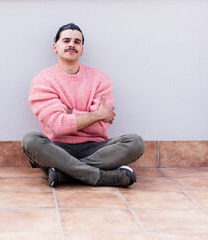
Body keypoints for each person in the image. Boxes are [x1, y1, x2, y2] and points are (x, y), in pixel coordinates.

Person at [21, 23, 145, 187]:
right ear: (55, 47)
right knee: (30, 140)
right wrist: (96, 115)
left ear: (82, 49)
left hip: (95, 147)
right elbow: (59, 126)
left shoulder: (100, 78)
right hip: (57, 148)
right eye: (66, 40)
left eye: (77, 41)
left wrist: (70, 112)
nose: (72, 44)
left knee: (135, 143)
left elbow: (100, 127)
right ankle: (100, 176)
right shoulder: (43, 81)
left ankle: (65, 173)